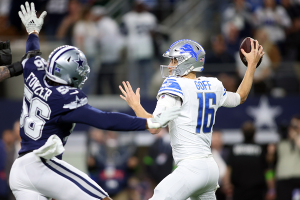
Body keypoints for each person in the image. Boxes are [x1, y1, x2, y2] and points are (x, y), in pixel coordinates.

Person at [5, 2, 180, 200]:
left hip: (19, 172)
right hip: (40, 166)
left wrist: (33, 32)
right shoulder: (66, 98)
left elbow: (32, 52)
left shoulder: (34, 72)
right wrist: (147, 122)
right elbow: (105, 120)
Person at [119, 37, 264, 199]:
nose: (170, 65)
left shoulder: (174, 84)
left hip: (191, 168)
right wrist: (251, 66)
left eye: (174, 60)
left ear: (186, 62)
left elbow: (154, 127)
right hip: (210, 168)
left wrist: (136, 106)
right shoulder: (213, 84)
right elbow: (240, 97)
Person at [223, 121, 273, 200]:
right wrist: (271, 189)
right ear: (255, 133)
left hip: (239, 191)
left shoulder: (235, 148)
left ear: (242, 133)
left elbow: (228, 169)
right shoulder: (260, 149)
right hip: (256, 191)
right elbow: (267, 171)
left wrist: (226, 185)